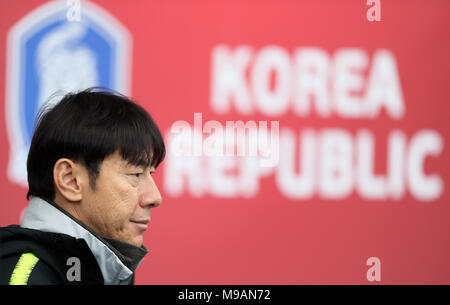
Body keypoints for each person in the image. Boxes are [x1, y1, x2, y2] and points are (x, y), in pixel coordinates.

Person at [0, 88, 165, 285]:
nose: (155, 197)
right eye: (135, 174)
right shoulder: (24, 278)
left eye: (151, 173)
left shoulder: (108, 270)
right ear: (70, 180)